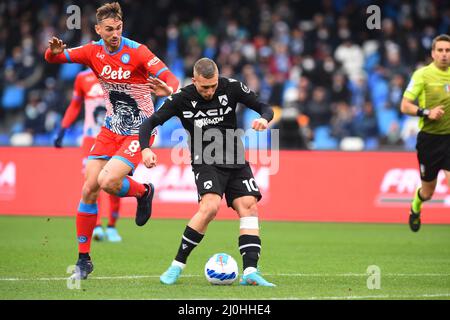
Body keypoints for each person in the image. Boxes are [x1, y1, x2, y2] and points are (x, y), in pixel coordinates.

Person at [45, 2, 179, 279]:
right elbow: (54, 59)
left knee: (107, 182)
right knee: (89, 190)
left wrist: (167, 89)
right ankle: (84, 260)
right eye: (109, 29)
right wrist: (52, 51)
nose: (115, 33)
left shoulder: (138, 51)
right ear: (98, 30)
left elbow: (171, 79)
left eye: (118, 28)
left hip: (140, 128)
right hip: (110, 129)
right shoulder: (92, 51)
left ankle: (143, 191)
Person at [139, 58, 276, 286]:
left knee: (249, 206)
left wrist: (264, 119)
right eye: (204, 87)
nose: (210, 91)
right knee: (210, 207)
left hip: (236, 158)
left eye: (213, 85)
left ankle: (250, 271)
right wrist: (145, 149)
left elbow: (265, 107)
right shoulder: (181, 98)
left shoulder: (231, 87)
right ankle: (176, 266)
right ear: (194, 81)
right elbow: (149, 123)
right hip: (206, 160)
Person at [54, 68, 122, 242]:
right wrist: (63, 128)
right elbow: (75, 104)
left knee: (114, 182)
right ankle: (97, 225)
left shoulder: (118, 74)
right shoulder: (82, 78)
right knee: (92, 182)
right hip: (91, 138)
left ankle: (112, 226)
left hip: (114, 136)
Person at [400, 34, 450, 232]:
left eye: (448, 50)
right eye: (440, 50)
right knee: (428, 192)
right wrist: (427, 112)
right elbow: (404, 106)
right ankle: (415, 206)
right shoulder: (422, 75)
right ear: (432, 53)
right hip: (430, 141)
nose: (444, 54)